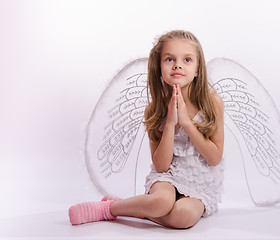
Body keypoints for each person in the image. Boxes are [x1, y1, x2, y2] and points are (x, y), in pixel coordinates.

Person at [69, 30, 225, 229]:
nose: (178, 65)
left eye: (187, 60)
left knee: (182, 217)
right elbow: (161, 166)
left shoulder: (212, 102)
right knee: (161, 202)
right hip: (168, 177)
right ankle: (108, 210)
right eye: (169, 59)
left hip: (201, 183)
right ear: (159, 67)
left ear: (197, 70)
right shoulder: (154, 109)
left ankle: (134, 208)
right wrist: (170, 123)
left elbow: (214, 158)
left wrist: (186, 122)